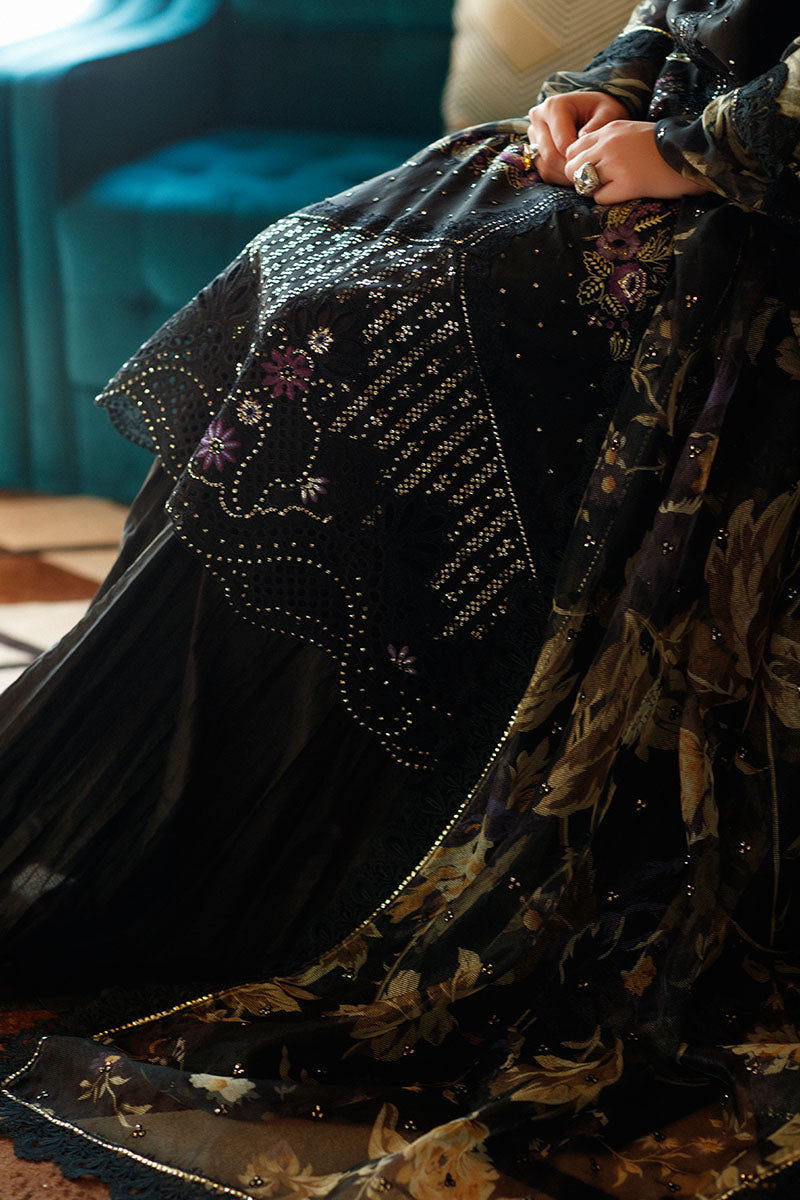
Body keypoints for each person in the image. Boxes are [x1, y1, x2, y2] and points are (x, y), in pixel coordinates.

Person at [1, 0, 799, 1195]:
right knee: (307, 276)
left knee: (358, 342)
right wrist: (607, 89)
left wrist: (687, 155)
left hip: (755, 205)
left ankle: (268, 845)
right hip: (652, 152)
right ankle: (130, 812)